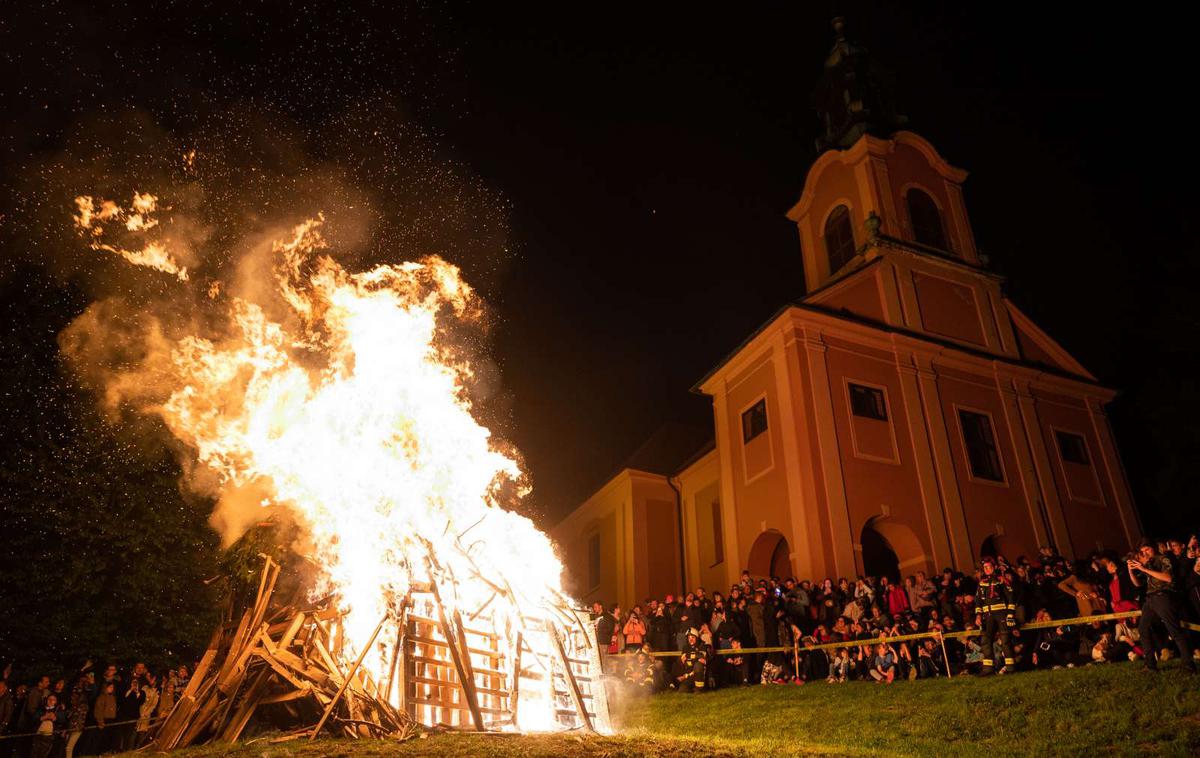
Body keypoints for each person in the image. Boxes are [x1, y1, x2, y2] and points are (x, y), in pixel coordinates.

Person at [1128, 540, 1197, 673]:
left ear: (1153, 549)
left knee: (1174, 630)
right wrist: (1131, 571)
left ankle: (1189, 665)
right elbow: (1137, 584)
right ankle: (1150, 665)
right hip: (1150, 599)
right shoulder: (1148, 564)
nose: (1145, 553)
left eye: (1147, 549)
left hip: (1163, 596)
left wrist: (1144, 568)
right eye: (1142, 552)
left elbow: (1168, 578)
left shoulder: (1163, 559)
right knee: (1143, 628)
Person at [974, 556, 1016, 675]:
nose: (986, 569)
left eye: (989, 567)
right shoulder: (982, 583)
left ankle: (1011, 668)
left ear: (994, 567)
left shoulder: (1001, 580)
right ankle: (988, 669)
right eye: (985, 567)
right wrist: (978, 616)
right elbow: (978, 601)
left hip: (1001, 614)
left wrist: (1010, 614)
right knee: (986, 641)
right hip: (987, 616)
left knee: (1005, 641)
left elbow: (1011, 597)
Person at [93, 682, 117, 753]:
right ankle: (98, 752)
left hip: (111, 719)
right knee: (101, 738)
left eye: (112, 687)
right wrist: (100, 721)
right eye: (110, 687)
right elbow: (98, 710)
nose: (111, 689)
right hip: (104, 719)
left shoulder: (112, 697)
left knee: (108, 738)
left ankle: (106, 752)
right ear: (105, 688)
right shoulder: (102, 697)